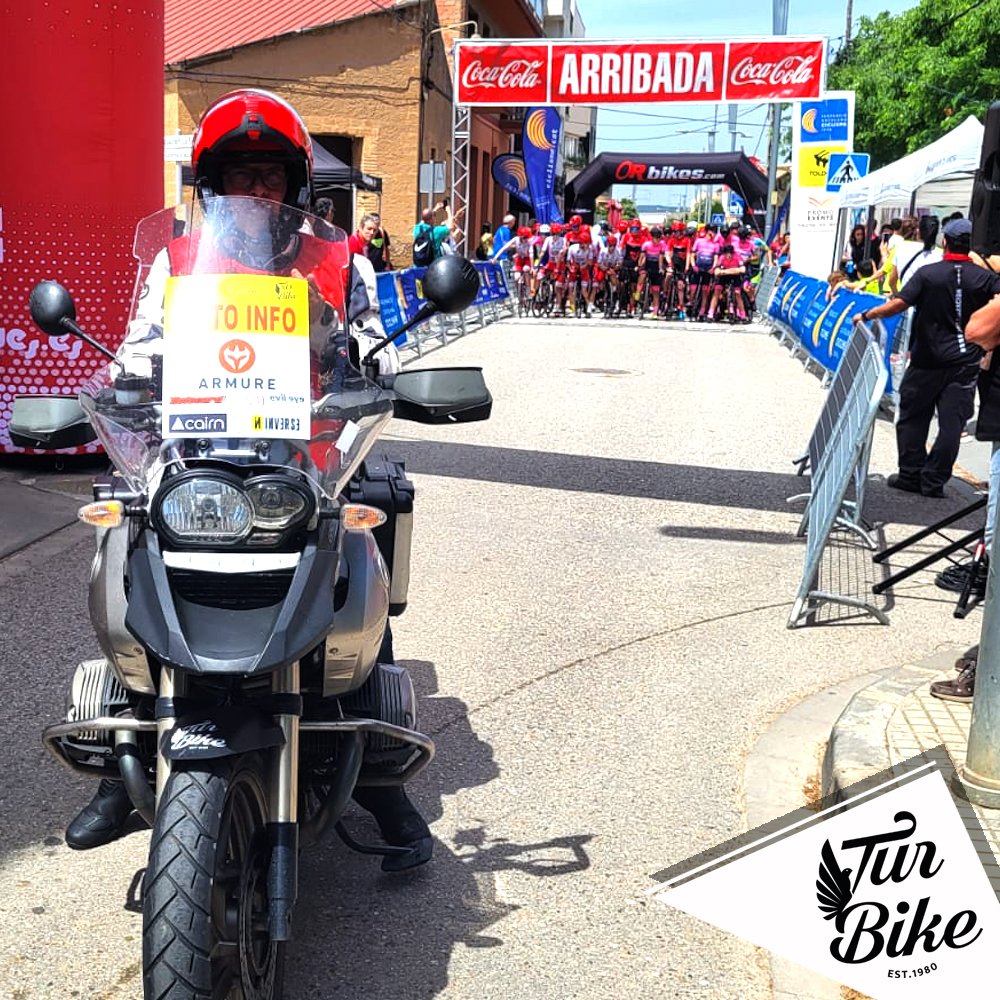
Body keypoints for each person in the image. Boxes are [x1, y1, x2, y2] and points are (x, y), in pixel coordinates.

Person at [64, 88, 432, 870]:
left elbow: (375, 341)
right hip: (196, 450)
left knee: (356, 551)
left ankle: (378, 771)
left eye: (267, 175)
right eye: (238, 175)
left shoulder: (340, 260)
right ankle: (128, 732)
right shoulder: (177, 260)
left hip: (307, 452)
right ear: (212, 187)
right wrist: (124, 379)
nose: (254, 190)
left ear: (292, 187)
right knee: (130, 544)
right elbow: (140, 342)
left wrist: (372, 362)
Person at [851, 218, 1000, 498]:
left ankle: (910, 474)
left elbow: (899, 303)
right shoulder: (984, 278)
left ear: (945, 242)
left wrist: (868, 314)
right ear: (970, 247)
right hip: (965, 360)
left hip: (927, 357)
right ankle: (933, 481)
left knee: (912, 416)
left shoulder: (929, 274)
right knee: (952, 423)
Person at [412, 200, 458, 266]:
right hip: (433, 266)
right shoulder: (436, 231)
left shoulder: (417, 228)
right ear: (432, 219)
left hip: (418, 266)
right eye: (434, 217)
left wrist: (435, 209)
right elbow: (451, 226)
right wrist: (448, 210)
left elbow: (425, 218)